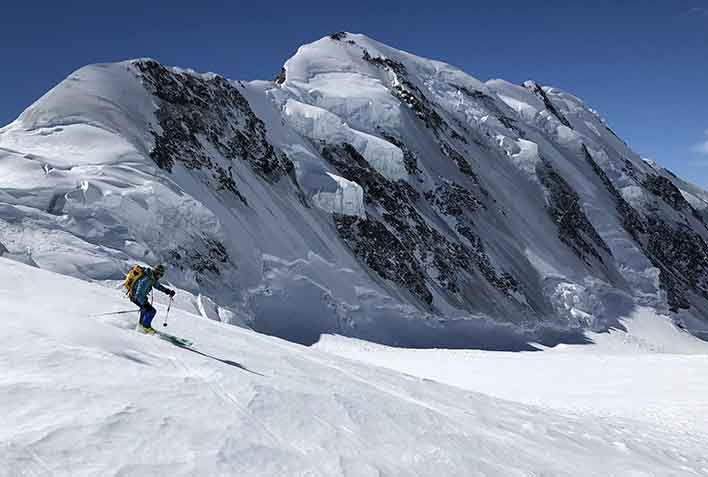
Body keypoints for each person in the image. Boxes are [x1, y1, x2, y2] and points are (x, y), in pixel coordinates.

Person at [130, 264, 175, 333]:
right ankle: (146, 327)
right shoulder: (147, 279)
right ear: (156, 272)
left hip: (137, 296)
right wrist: (143, 303)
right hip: (135, 296)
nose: (160, 277)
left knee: (145, 310)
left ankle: (141, 325)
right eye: (160, 275)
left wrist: (167, 291)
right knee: (151, 311)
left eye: (161, 275)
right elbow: (138, 293)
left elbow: (157, 285)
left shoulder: (152, 277)